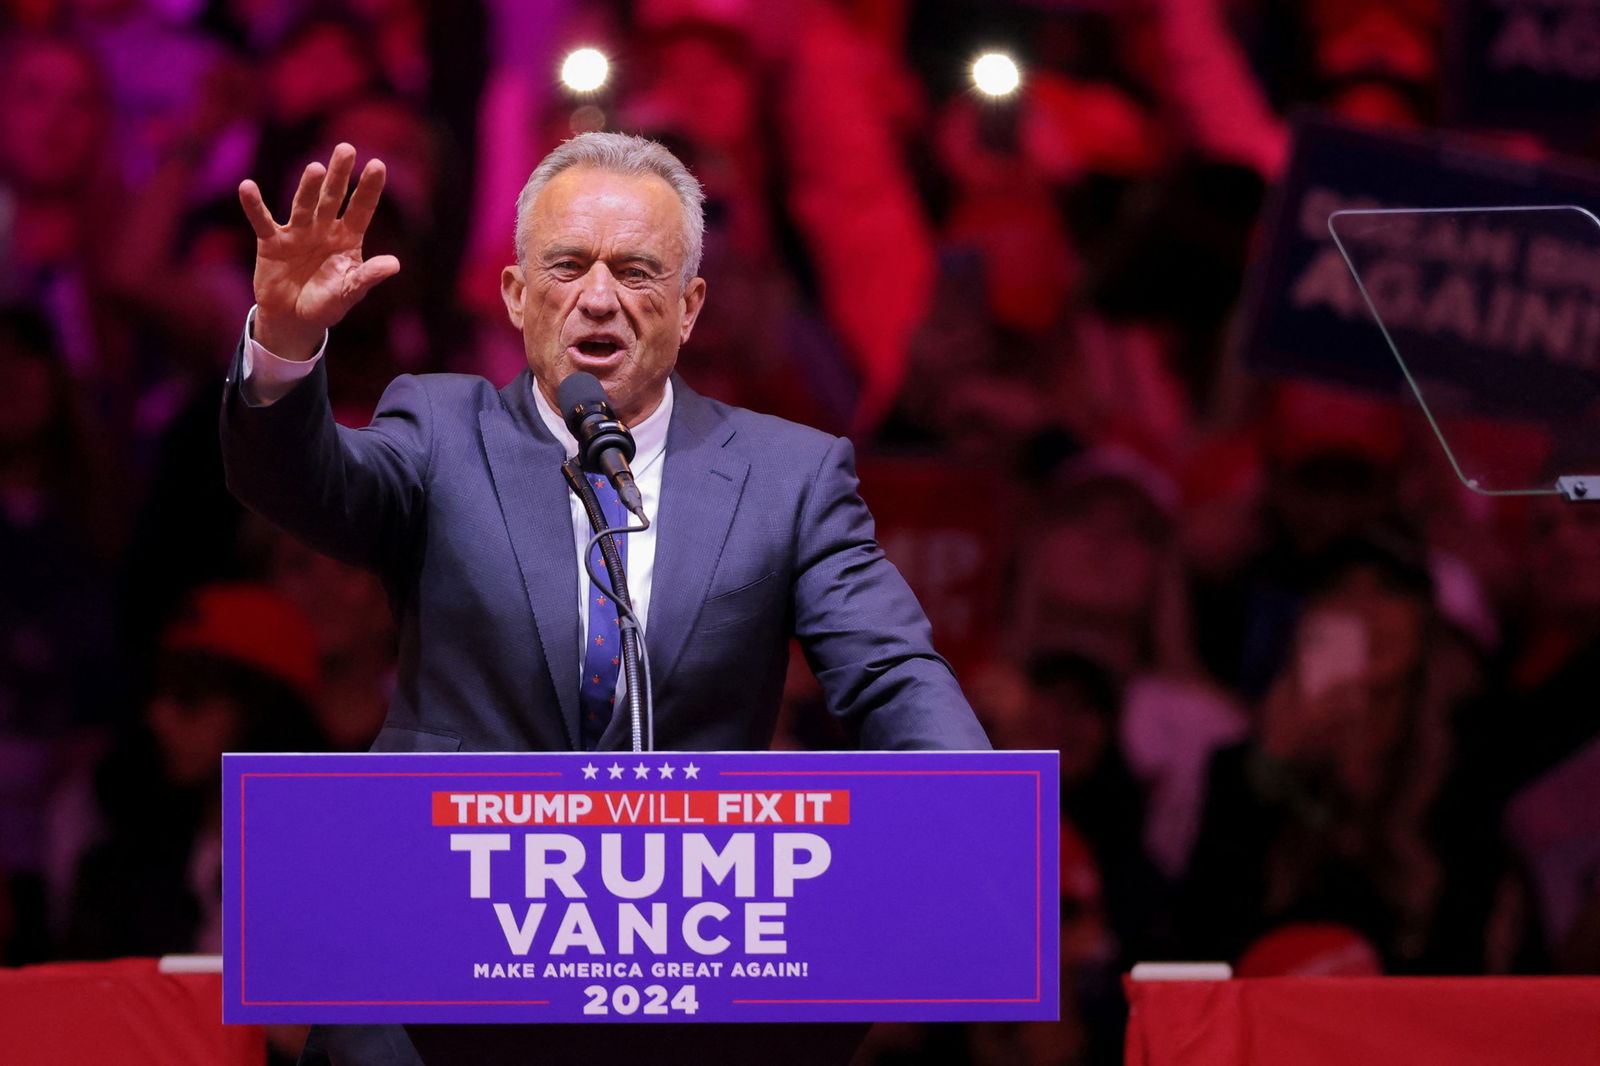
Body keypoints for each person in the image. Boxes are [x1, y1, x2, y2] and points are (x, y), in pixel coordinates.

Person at [221, 131, 989, 1065]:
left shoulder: (790, 476)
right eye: (567, 265)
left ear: (690, 305)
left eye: (636, 271)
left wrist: (967, 805)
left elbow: (891, 666)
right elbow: (306, 483)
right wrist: (289, 343)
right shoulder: (438, 431)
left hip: (697, 990)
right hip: (437, 991)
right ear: (513, 294)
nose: (598, 297)